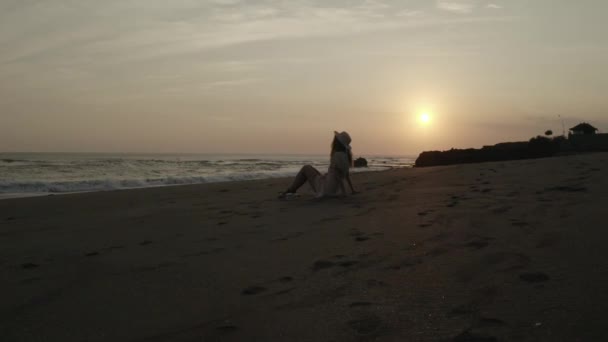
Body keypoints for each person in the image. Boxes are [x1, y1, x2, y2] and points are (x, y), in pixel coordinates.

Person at [279, 131, 358, 199]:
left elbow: (338, 176)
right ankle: (291, 190)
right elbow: (345, 175)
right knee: (313, 171)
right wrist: (352, 190)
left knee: (306, 168)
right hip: (333, 187)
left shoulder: (336, 155)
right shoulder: (346, 156)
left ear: (337, 142)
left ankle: (290, 191)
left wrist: (343, 193)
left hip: (327, 189)